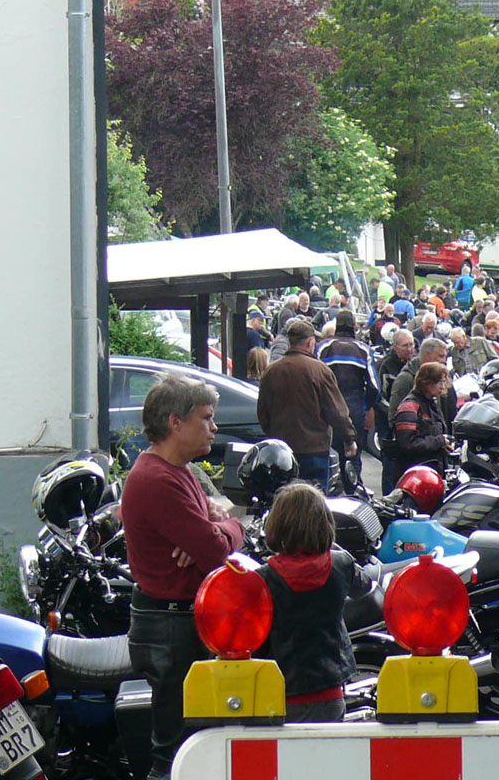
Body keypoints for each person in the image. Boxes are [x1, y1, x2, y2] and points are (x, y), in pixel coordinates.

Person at [123, 372, 245, 779]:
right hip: (170, 628)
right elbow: (215, 550)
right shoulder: (158, 480)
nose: (214, 427)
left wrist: (213, 526)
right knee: (176, 753)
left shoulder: (178, 471)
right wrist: (231, 527)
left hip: (177, 622)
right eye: (206, 418)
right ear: (175, 422)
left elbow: (210, 532)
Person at [258, 483, 370, 723]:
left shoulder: (263, 578)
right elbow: (365, 586)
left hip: (279, 689)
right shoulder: (341, 564)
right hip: (329, 689)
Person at [257, 319, 356, 491]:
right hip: (314, 449)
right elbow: (336, 411)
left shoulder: (271, 371)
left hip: (282, 452)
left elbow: (263, 412)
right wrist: (349, 438)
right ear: (310, 343)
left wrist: (274, 434)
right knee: (314, 498)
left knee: (285, 498)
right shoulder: (319, 370)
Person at [316, 310, 380, 478]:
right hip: (354, 408)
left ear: (337, 325)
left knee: (328, 455)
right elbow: (374, 387)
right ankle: (353, 488)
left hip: (327, 409)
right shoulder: (363, 350)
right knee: (352, 456)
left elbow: (313, 378)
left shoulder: (322, 348)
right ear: (354, 326)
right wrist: (365, 406)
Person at [384, 362, 452, 493]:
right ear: (426, 382)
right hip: (414, 479)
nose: (443, 387)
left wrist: (444, 446)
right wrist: (439, 442)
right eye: (439, 382)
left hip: (430, 475)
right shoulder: (410, 406)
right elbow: (407, 444)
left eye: (444, 382)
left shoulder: (432, 405)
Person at [379, 327, 415, 400]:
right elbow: (382, 396)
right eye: (405, 346)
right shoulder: (386, 365)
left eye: (411, 344)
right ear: (395, 348)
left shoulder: (416, 362)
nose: (409, 349)